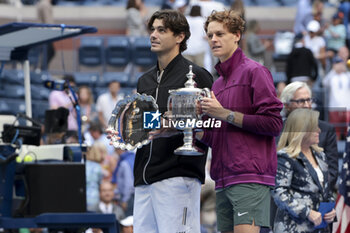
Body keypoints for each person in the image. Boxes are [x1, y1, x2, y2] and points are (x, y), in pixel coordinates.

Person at [109, 10, 213, 233]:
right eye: (153, 29)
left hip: (178, 175)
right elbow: (149, 123)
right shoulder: (144, 80)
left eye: (161, 30)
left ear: (180, 37)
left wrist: (172, 123)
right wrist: (125, 130)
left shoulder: (197, 76)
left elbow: (210, 124)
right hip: (144, 177)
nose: (153, 35)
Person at [195, 10, 283, 233]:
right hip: (223, 180)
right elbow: (215, 136)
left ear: (236, 35)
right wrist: (193, 127)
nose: (213, 39)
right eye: (210, 35)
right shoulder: (217, 85)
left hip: (249, 178)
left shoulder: (256, 71)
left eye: (220, 34)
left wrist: (224, 113)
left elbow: (273, 124)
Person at [272, 108, 336, 233]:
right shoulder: (285, 157)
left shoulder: (320, 155)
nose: (319, 130)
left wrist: (331, 210)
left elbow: (326, 190)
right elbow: (278, 192)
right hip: (293, 227)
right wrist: (307, 212)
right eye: (314, 127)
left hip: (320, 227)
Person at [280, 82, 339, 192]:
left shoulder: (325, 130)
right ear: (287, 105)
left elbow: (332, 172)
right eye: (301, 101)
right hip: (283, 199)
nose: (307, 105)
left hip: (319, 199)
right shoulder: (276, 131)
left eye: (309, 100)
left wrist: (311, 194)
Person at [322, 55, 350, 140]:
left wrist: (346, 69)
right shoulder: (331, 76)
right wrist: (333, 71)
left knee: (347, 132)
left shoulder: (347, 75)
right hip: (334, 107)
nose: (339, 65)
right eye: (337, 63)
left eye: (340, 63)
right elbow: (324, 83)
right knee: (335, 132)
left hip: (347, 107)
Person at [111, 148, 135, 217]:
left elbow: (128, 183)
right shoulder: (132, 158)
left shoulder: (125, 163)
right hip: (130, 195)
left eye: (115, 150)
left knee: (128, 220)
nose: (115, 153)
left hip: (128, 197)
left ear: (120, 149)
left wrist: (125, 200)